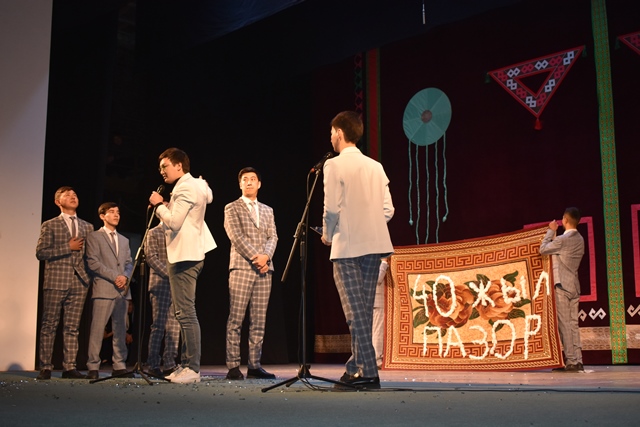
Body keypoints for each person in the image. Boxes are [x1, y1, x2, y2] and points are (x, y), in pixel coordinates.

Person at [321, 111, 395, 389]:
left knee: (355, 312)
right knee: (362, 310)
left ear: (340, 133)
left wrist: (328, 234)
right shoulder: (375, 166)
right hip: (374, 245)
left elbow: (331, 208)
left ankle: (369, 373)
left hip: (347, 246)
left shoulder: (334, 165)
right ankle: (355, 367)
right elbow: (388, 209)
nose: (331, 137)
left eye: (332, 132)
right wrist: (368, 223)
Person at [149, 148, 216, 384]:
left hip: (184, 255)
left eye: (165, 166)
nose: (161, 171)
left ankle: (192, 368)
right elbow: (209, 196)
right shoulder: (197, 184)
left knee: (185, 313)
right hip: (189, 253)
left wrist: (159, 205)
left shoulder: (185, 186)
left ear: (179, 166)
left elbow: (175, 223)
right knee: (183, 312)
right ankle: (187, 365)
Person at [223, 167, 278, 380]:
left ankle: (254, 365)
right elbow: (236, 236)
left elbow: (273, 237)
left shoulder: (267, 210)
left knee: (259, 320)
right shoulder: (231, 207)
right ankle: (233, 366)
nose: (249, 182)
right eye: (245, 179)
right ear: (240, 184)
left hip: (265, 270)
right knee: (236, 319)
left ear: (259, 184)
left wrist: (266, 257)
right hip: (242, 268)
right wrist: (258, 258)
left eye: (253, 179)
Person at [35, 186, 94, 380]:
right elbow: (41, 252)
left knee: (72, 326)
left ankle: (70, 367)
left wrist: (88, 277)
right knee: (49, 324)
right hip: (56, 280)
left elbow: (90, 255)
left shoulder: (87, 226)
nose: (72, 196)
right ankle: (46, 366)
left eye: (74, 194)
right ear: (57, 202)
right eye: (67, 195)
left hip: (80, 281)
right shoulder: (50, 225)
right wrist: (67, 247)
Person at [85, 202, 134, 380]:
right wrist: (115, 276)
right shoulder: (94, 237)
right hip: (104, 288)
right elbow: (93, 263)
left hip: (122, 290)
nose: (116, 215)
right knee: (98, 329)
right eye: (112, 212)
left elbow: (129, 263)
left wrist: (125, 277)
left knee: (120, 329)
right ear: (102, 216)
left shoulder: (124, 240)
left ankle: (119, 365)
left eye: (118, 212)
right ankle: (93, 365)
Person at [539, 207, 585, 373]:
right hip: (574, 286)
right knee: (573, 324)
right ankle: (578, 360)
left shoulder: (562, 240)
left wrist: (551, 232)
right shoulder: (580, 239)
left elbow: (543, 249)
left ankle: (571, 361)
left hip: (562, 287)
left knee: (565, 324)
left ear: (565, 219)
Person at [144, 223, 180, 379]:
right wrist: (169, 274)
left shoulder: (177, 232)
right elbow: (151, 257)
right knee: (158, 325)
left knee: (174, 326)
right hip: (160, 283)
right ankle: (153, 364)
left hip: (177, 285)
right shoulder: (153, 233)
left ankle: (169, 363)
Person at [372, 257, 390, 369]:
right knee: (377, 331)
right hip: (377, 301)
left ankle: (375, 358)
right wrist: (384, 262)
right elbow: (377, 279)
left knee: (375, 331)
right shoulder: (372, 262)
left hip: (375, 301)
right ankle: (377, 359)